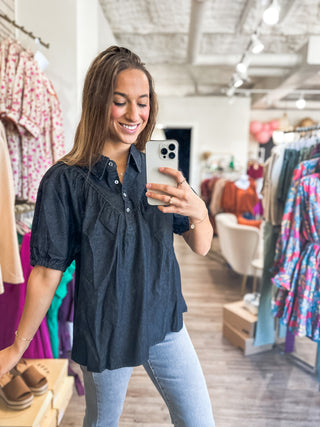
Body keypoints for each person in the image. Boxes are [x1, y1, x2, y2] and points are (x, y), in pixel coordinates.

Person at [0, 46, 214, 426]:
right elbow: (47, 272)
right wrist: (18, 346)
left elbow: (201, 245)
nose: (135, 115)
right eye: (120, 102)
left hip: (165, 322)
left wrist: (199, 211)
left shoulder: (158, 169)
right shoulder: (64, 180)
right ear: (99, 102)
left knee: (199, 421)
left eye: (143, 103)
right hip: (105, 330)